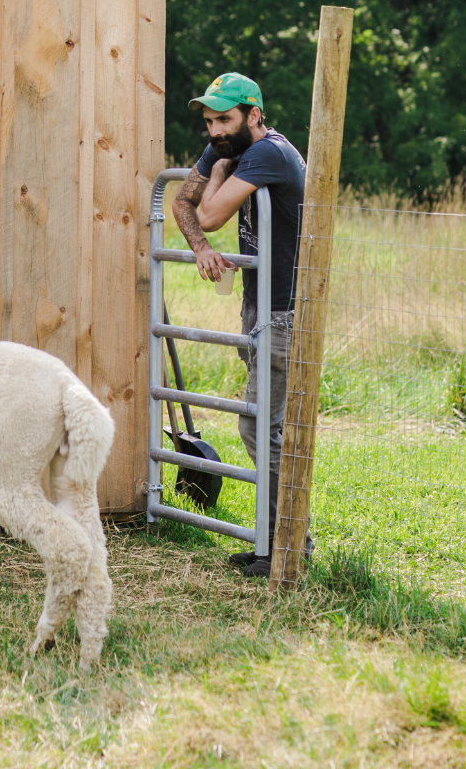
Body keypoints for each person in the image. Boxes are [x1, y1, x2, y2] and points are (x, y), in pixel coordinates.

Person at [171, 72, 308, 578]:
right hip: (257, 302)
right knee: (263, 424)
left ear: (254, 114)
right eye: (208, 120)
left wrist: (221, 172)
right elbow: (182, 203)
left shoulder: (267, 153)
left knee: (259, 424)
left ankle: (288, 545)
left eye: (224, 119)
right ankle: (274, 541)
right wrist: (201, 251)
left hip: (286, 309)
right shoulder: (229, 146)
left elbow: (208, 212)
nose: (214, 131)